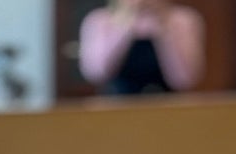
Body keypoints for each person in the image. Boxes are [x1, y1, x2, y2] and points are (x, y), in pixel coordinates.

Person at [78, 0, 206, 95]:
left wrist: (164, 28)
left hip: (168, 107)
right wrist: (125, 26)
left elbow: (185, 80)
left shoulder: (184, 20)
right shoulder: (100, 20)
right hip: (116, 108)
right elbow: (97, 74)